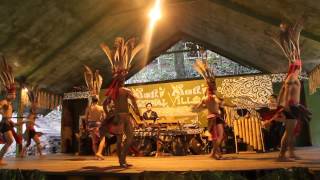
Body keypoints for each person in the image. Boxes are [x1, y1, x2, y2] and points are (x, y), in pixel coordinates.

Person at [101, 37, 143, 168]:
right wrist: (139, 113)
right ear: (123, 79)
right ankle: (122, 160)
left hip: (117, 117)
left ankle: (121, 161)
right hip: (125, 117)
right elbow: (134, 102)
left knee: (120, 141)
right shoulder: (125, 90)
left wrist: (109, 114)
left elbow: (104, 104)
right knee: (129, 139)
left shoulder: (113, 91)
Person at [192, 59, 224, 160]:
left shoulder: (205, 98)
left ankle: (215, 153)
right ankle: (214, 153)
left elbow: (198, 107)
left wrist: (195, 107)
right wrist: (220, 102)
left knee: (215, 138)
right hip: (215, 118)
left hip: (211, 118)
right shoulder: (213, 96)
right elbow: (218, 102)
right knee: (219, 136)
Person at [0, 57, 20, 165]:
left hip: (6, 124)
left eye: (14, 94)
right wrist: (3, 113)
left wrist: (11, 121)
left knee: (10, 141)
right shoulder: (4, 102)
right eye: (12, 94)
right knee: (10, 141)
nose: (14, 95)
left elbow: (8, 115)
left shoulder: (10, 104)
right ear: (8, 94)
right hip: (4, 125)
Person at [20, 89, 43, 157]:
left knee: (29, 143)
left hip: (30, 130)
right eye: (35, 107)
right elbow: (28, 122)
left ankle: (22, 154)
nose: (37, 107)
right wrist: (35, 124)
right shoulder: (31, 115)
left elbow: (29, 121)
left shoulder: (32, 114)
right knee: (37, 142)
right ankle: (40, 154)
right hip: (30, 130)